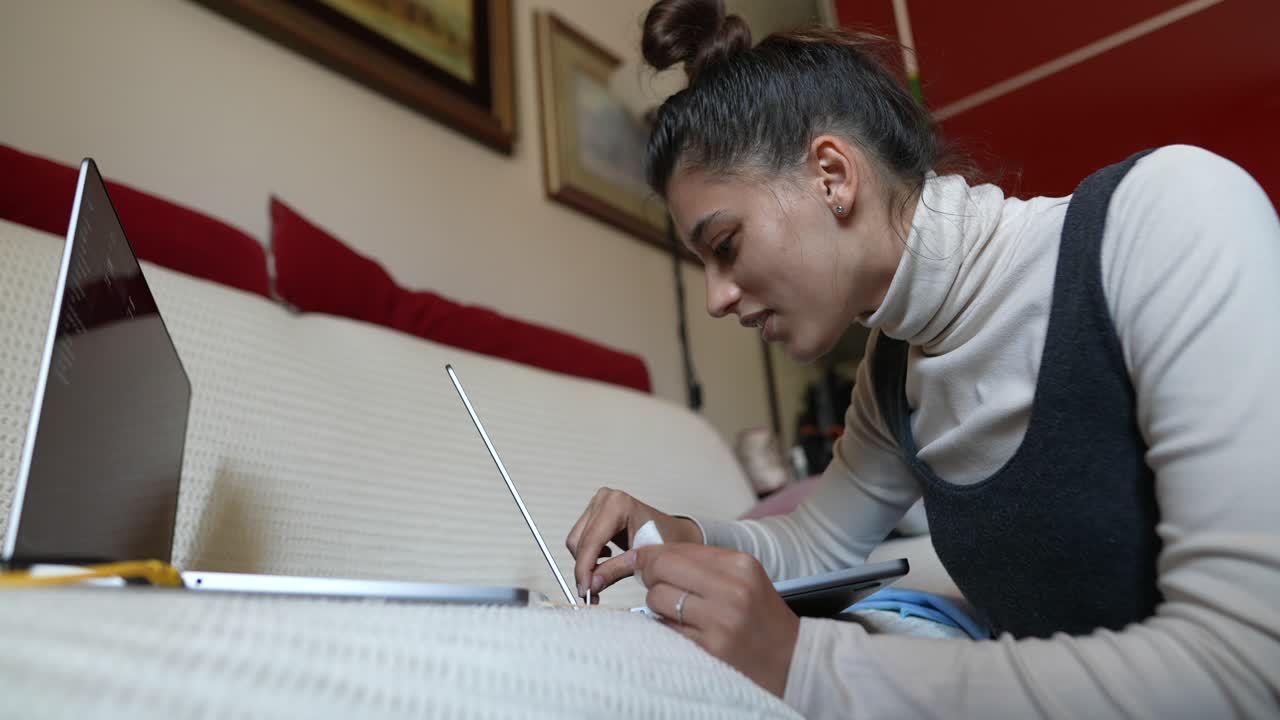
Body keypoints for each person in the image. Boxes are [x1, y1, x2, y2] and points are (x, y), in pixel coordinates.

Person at [564, 0, 1280, 717]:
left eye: (725, 247)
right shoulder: (892, 372)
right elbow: (818, 543)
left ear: (832, 176)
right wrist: (687, 533)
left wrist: (805, 663)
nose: (717, 299)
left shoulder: (1170, 216)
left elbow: (1246, 666)